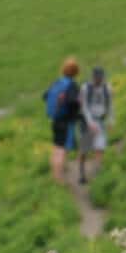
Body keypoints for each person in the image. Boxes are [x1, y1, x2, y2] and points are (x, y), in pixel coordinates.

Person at [40, 56, 85, 192]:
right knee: (61, 150)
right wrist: (78, 110)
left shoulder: (57, 82)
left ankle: (56, 175)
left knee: (56, 148)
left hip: (55, 120)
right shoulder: (72, 86)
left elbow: (45, 96)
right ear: (76, 72)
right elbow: (73, 102)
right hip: (66, 122)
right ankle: (59, 180)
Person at [78, 63, 113, 185]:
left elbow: (110, 105)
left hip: (100, 121)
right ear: (93, 77)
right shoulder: (85, 88)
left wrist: (110, 120)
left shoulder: (107, 88)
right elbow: (84, 107)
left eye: (100, 77)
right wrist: (90, 123)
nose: (98, 80)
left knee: (100, 147)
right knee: (85, 149)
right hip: (87, 122)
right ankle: (81, 172)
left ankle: (97, 174)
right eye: (96, 77)